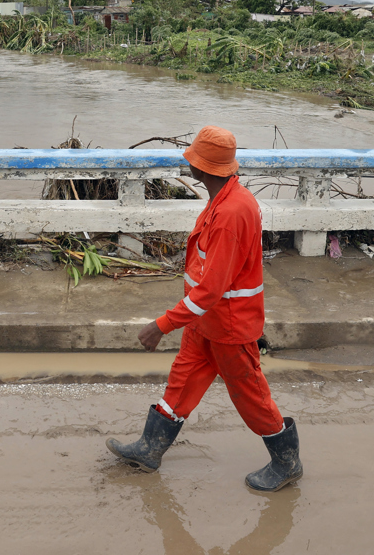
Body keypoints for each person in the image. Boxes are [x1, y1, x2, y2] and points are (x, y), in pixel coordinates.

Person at [106, 125, 302, 492]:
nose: (188, 162)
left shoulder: (231, 213)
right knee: (182, 381)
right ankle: (149, 449)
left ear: (203, 167)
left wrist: (161, 325)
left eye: (193, 157)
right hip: (204, 321)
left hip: (229, 325)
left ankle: (286, 462)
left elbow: (212, 289)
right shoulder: (224, 199)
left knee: (250, 395)